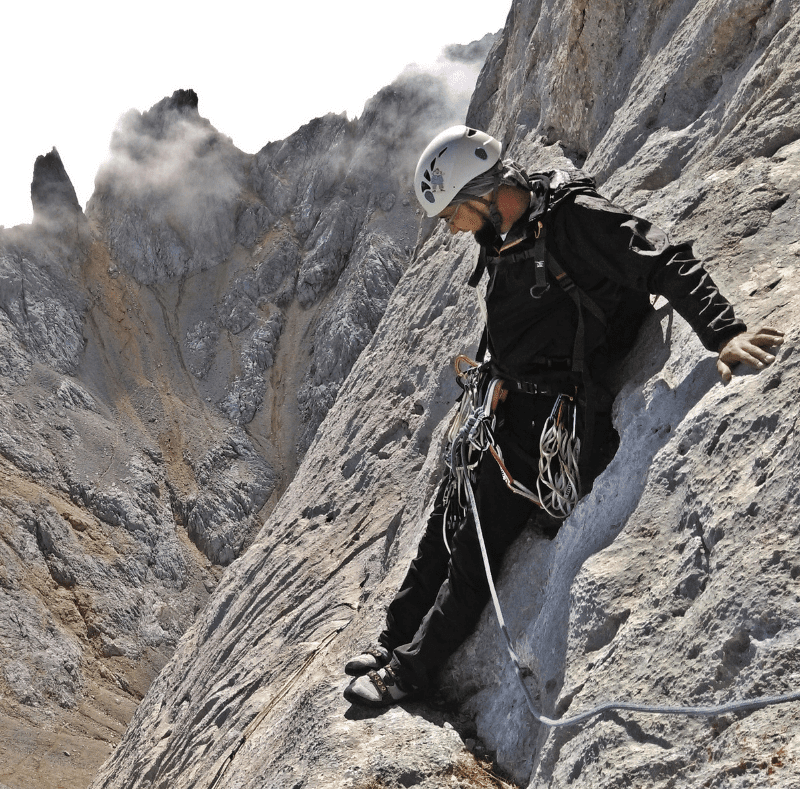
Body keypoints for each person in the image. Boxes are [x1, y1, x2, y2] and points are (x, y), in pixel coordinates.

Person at [343, 125, 784, 708]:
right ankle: (393, 638)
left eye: (452, 212)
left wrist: (725, 333)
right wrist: (494, 375)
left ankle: (411, 670)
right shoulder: (503, 230)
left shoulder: (575, 221)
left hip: (554, 419)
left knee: (476, 546)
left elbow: (664, 261)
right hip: (510, 403)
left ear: (481, 191)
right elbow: (516, 314)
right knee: (445, 519)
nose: (450, 227)